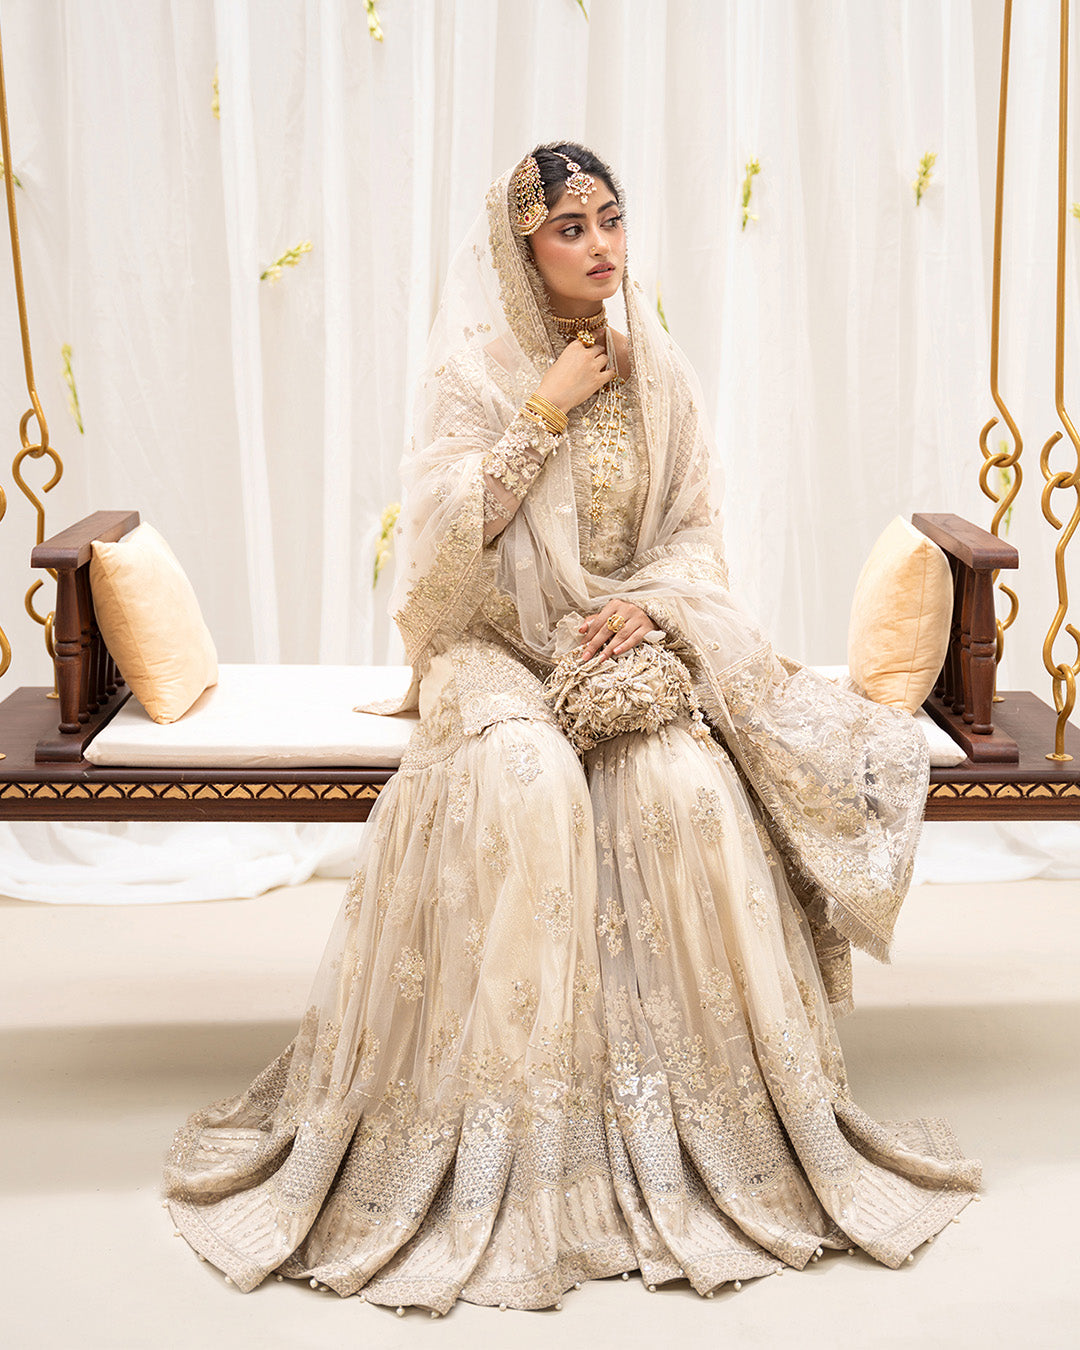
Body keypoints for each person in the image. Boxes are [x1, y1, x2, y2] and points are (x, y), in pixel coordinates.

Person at [163, 142, 980, 1314]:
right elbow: (439, 565)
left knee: (686, 796)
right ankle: (512, 1140)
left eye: (611, 219)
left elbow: (695, 533)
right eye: (570, 228)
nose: (601, 246)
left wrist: (650, 607)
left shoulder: (660, 371)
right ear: (523, 248)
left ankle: (699, 1129)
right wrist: (544, 410)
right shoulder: (477, 375)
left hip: (617, 647)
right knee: (530, 787)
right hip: (492, 652)